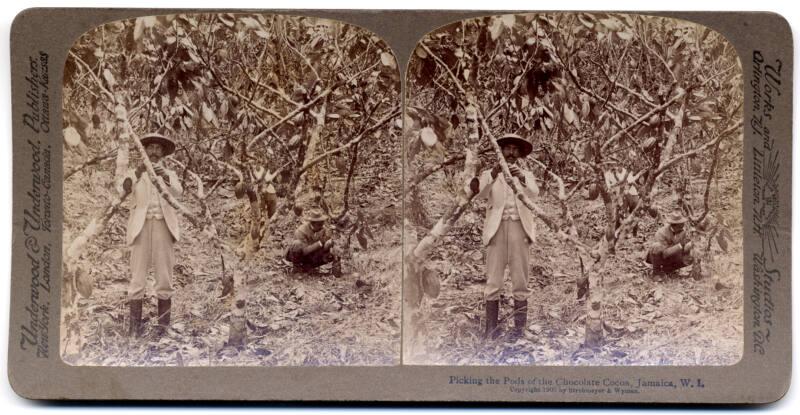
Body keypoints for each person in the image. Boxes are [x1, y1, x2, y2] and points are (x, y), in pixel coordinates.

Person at [468, 133, 539, 340]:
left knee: (520, 279)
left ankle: (519, 330)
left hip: (519, 229)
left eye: (515, 150)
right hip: (496, 230)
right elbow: (480, 193)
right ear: (500, 151)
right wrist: (493, 173)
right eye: (506, 148)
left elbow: (535, 193)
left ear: (520, 154)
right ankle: (491, 330)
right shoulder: (490, 174)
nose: (510, 153)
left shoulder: (526, 174)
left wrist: (523, 178)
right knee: (494, 280)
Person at [121, 133, 183, 337]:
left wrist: (164, 175)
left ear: (163, 153)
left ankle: (163, 328)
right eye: (151, 148)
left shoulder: (169, 173)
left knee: (164, 276)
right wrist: (138, 172)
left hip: (163, 226)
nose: (154, 152)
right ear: (144, 150)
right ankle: (134, 330)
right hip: (141, 226)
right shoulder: (135, 173)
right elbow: (122, 188)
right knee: (137, 276)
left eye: (158, 149)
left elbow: (177, 192)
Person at [645, 209, 701, 281]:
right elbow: (664, 253)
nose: (683, 224)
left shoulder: (683, 232)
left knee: (691, 255)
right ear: (675, 225)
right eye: (681, 223)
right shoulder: (661, 233)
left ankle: (668, 270)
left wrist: (690, 244)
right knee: (656, 246)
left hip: (673, 258)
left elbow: (684, 250)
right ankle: (656, 273)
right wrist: (681, 245)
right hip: (660, 258)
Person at [286, 209, 341, 277]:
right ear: (312, 223)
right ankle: (296, 270)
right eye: (319, 224)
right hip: (300, 256)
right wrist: (321, 242)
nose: (322, 225)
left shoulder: (323, 229)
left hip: (312, 257)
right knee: (297, 244)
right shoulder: (301, 231)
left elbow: (324, 247)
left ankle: (308, 267)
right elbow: (304, 251)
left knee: (332, 253)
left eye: (322, 223)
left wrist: (329, 243)